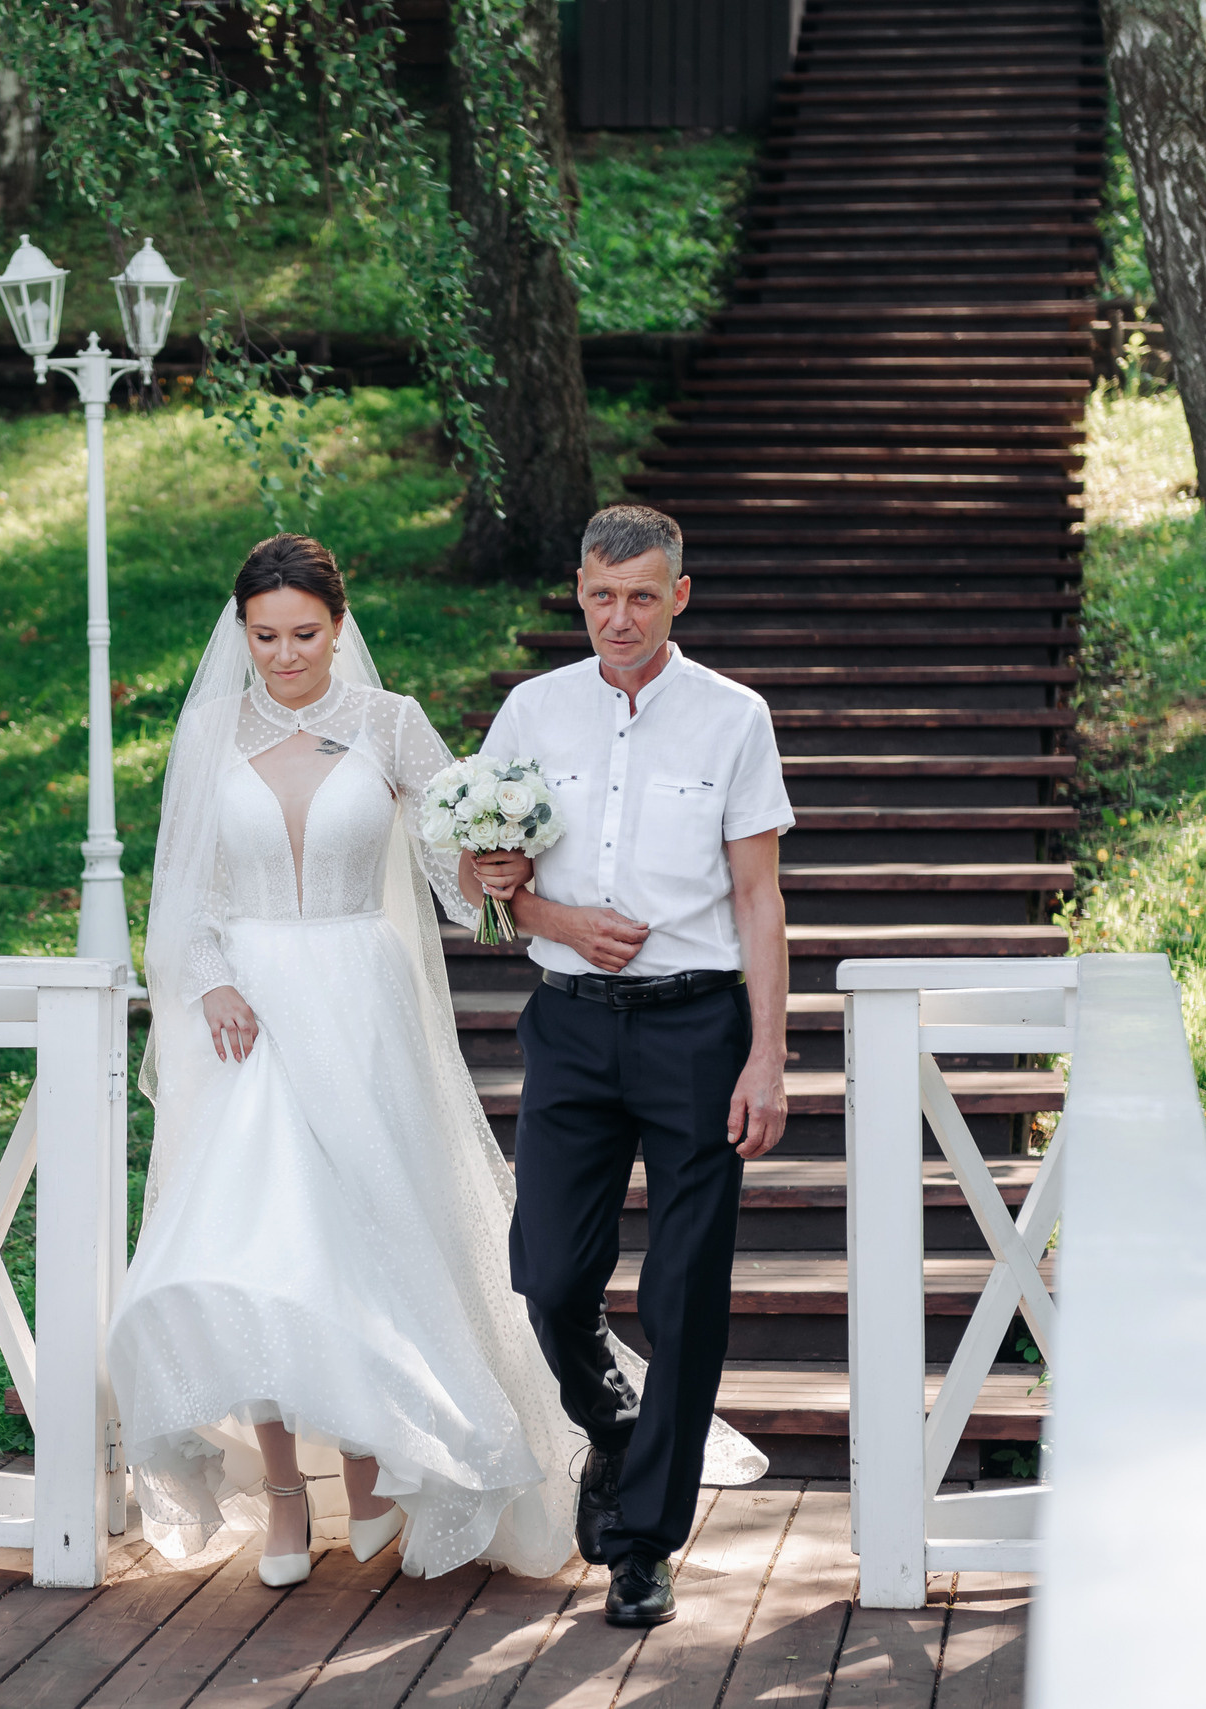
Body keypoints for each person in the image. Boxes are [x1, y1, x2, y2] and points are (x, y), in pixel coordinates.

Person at [109, 533, 765, 1590]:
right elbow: (182, 895)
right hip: (247, 1016)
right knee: (247, 1243)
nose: (283, 654)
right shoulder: (208, 732)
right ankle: (284, 1486)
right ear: (240, 631)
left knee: (366, 1233)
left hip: (360, 1002)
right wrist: (207, 980)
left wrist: (507, 879)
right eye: (265, 634)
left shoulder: (389, 724)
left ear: (339, 625)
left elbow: (461, 871)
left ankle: (376, 1466)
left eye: (305, 633)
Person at [472, 503, 793, 1627]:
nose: (620, 617)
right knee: (548, 1274)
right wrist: (558, 912)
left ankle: (643, 1537)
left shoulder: (732, 718)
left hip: (697, 1029)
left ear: (679, 596)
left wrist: (766, 1052)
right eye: (602, 597)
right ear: (577, 590)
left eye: (643, 596)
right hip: (567, 1021)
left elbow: (758, 895)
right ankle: (614, 1427)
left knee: (684, 1289)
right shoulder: (530, 711)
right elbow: (484, 886)